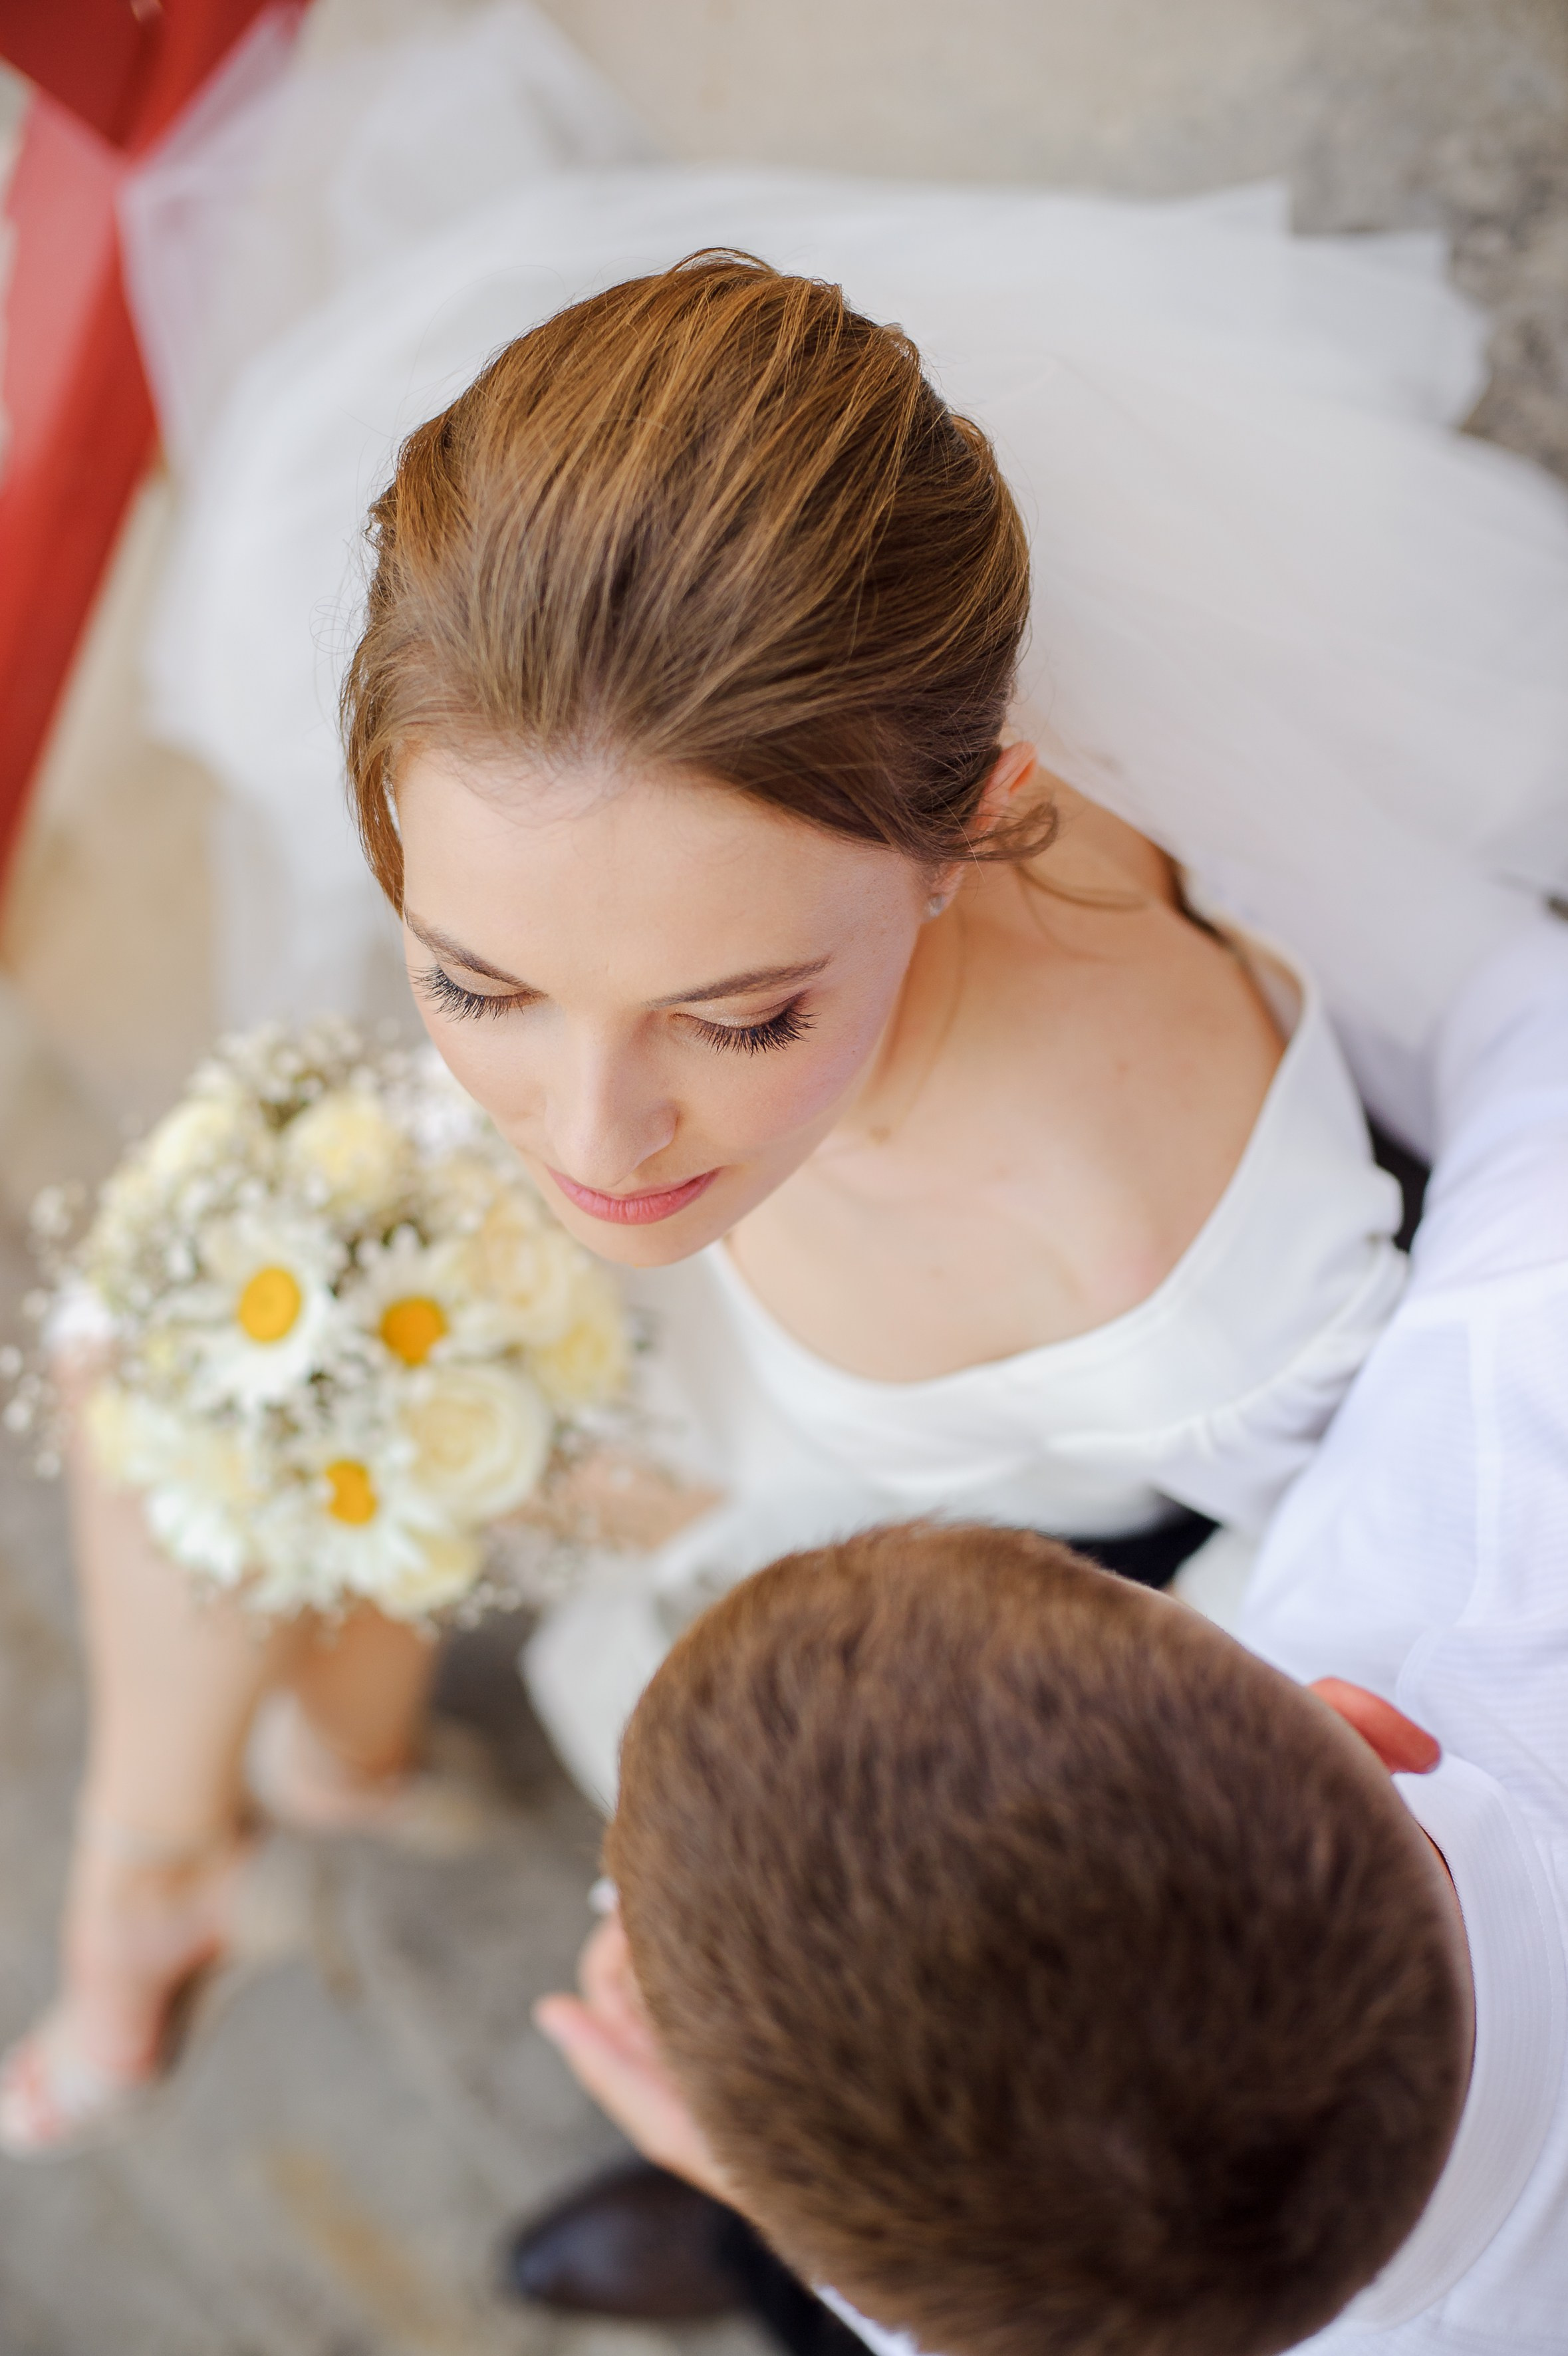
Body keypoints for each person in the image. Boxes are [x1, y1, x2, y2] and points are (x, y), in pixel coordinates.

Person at [1, 253, 1419, 2158]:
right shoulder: (659, 815)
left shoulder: (1161, 1276)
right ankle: (190, 1837)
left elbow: (1310, 1623)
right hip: (650, 1376)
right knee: (185, 1325)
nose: (589, 1135)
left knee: (261, 1392)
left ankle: (274, 1797)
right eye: (479, 983)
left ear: (966, 830)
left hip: (832, 1552)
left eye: (742, 1016)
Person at [531, 913, 1568, 2355]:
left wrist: (802, 2225)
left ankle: (756, 2260)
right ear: (1361, 1722)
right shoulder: (1525, 1417)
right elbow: (1530, 1009)